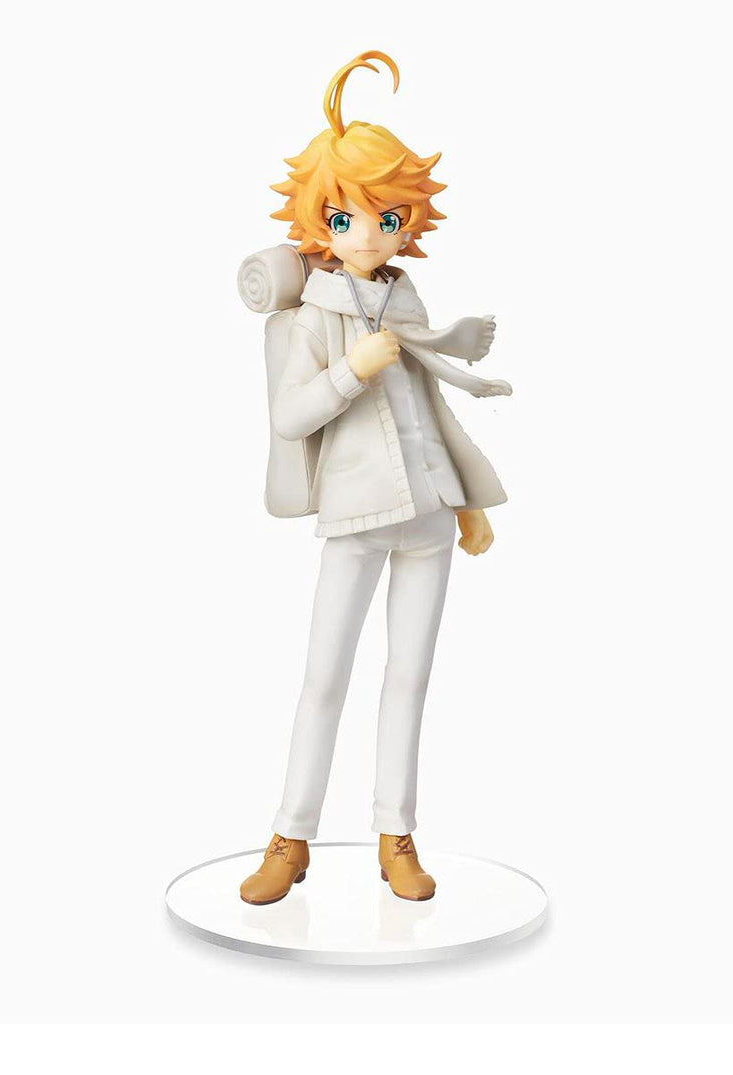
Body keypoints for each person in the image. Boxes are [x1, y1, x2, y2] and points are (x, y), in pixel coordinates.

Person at [240, 51, 510, 905]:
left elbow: (432, 408)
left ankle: (397, 833)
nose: (370, 234)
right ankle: (291, 835)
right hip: (355, 518)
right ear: (320, 221)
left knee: (410, 678)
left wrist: (466, 501)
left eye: (389, 218)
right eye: (348, 216)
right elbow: (290, 415)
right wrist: (350, 371)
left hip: (428, 517)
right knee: (325, 677)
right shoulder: (312, 317)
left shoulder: (406, 303)